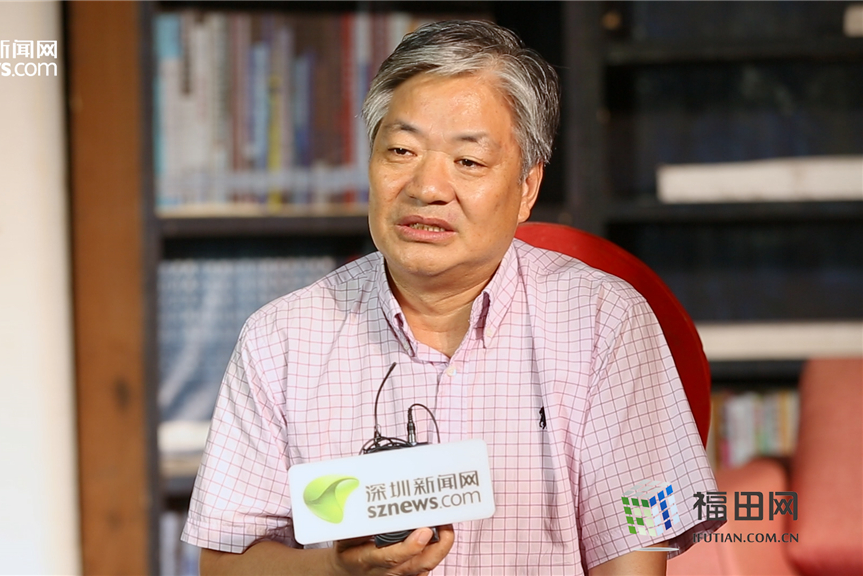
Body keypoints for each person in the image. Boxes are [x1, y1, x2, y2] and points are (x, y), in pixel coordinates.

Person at [181, 20, 721, 575]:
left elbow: (631, 557)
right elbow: (225, 565)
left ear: (527, 188)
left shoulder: (603, 321)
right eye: (401, 150)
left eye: (468, 161)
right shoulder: (282, 338)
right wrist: (340, 569)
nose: (427, 188)